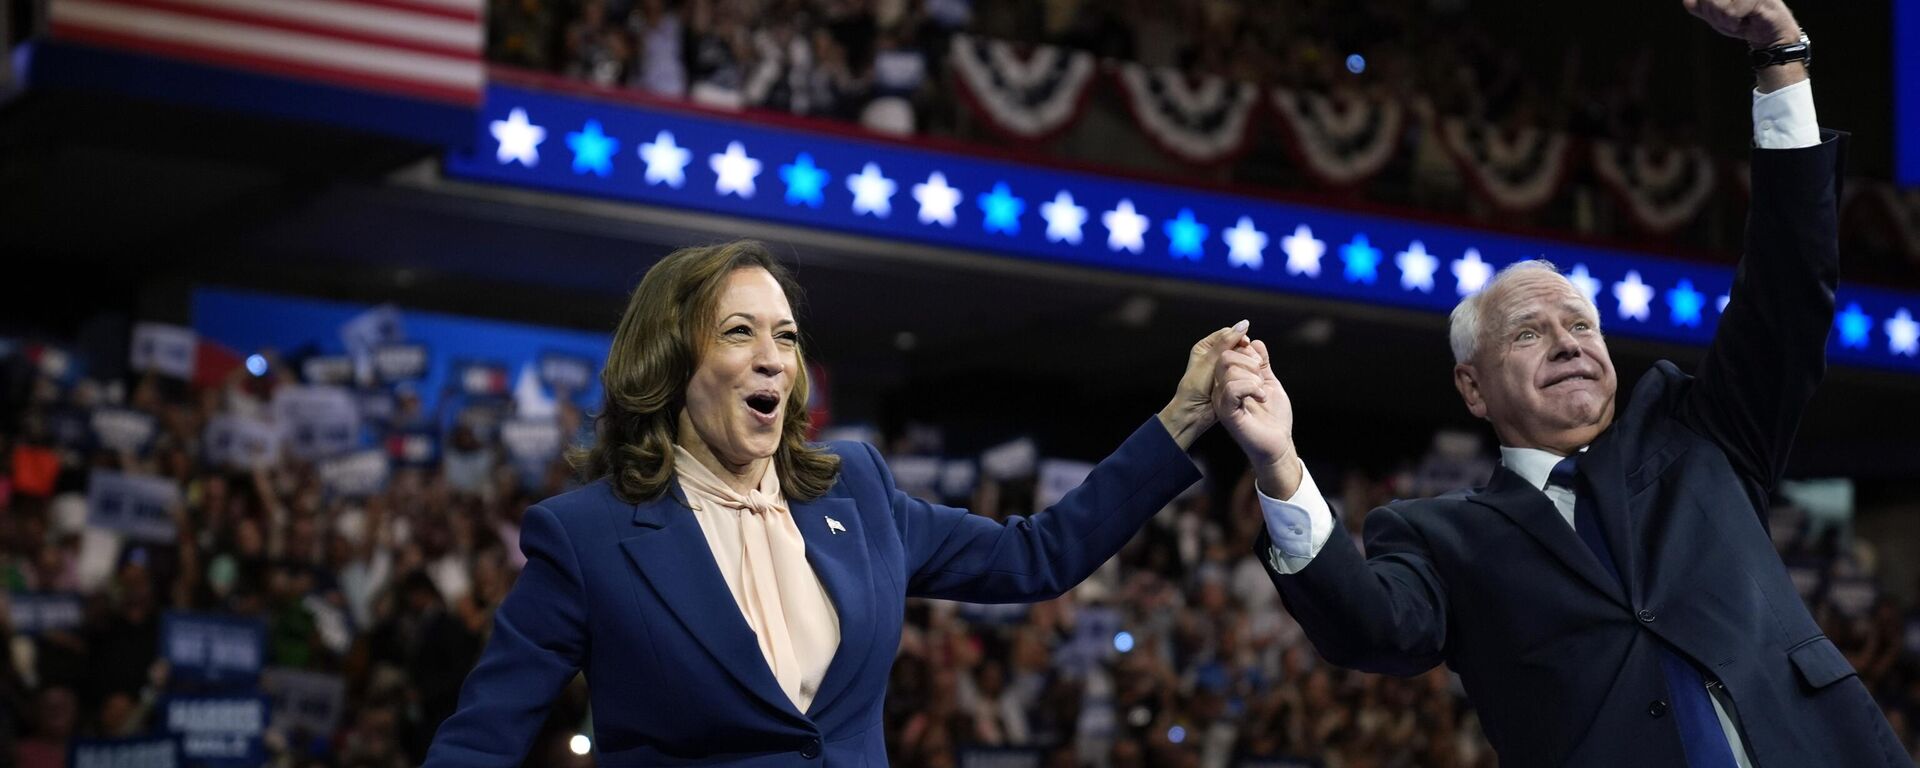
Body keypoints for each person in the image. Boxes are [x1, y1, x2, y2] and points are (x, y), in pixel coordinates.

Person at [1211, 1, 1912, 765]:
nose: (1568, 343)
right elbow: (1369, 628)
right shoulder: (1440, 538)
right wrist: (1279, 464)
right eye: (1528, 332)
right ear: (1472, 389)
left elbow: (1789, 282)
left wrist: (1782, 57)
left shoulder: (1700, 432)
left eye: (1582, 326)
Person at [423, 239, 1247, 765]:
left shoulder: (857, 487)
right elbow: (481, 741)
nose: (773, 359)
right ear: (669, 364)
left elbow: (1039, 554)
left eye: (785, 336)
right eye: (738, 332)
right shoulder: (587, 536)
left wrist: (1184, 416)